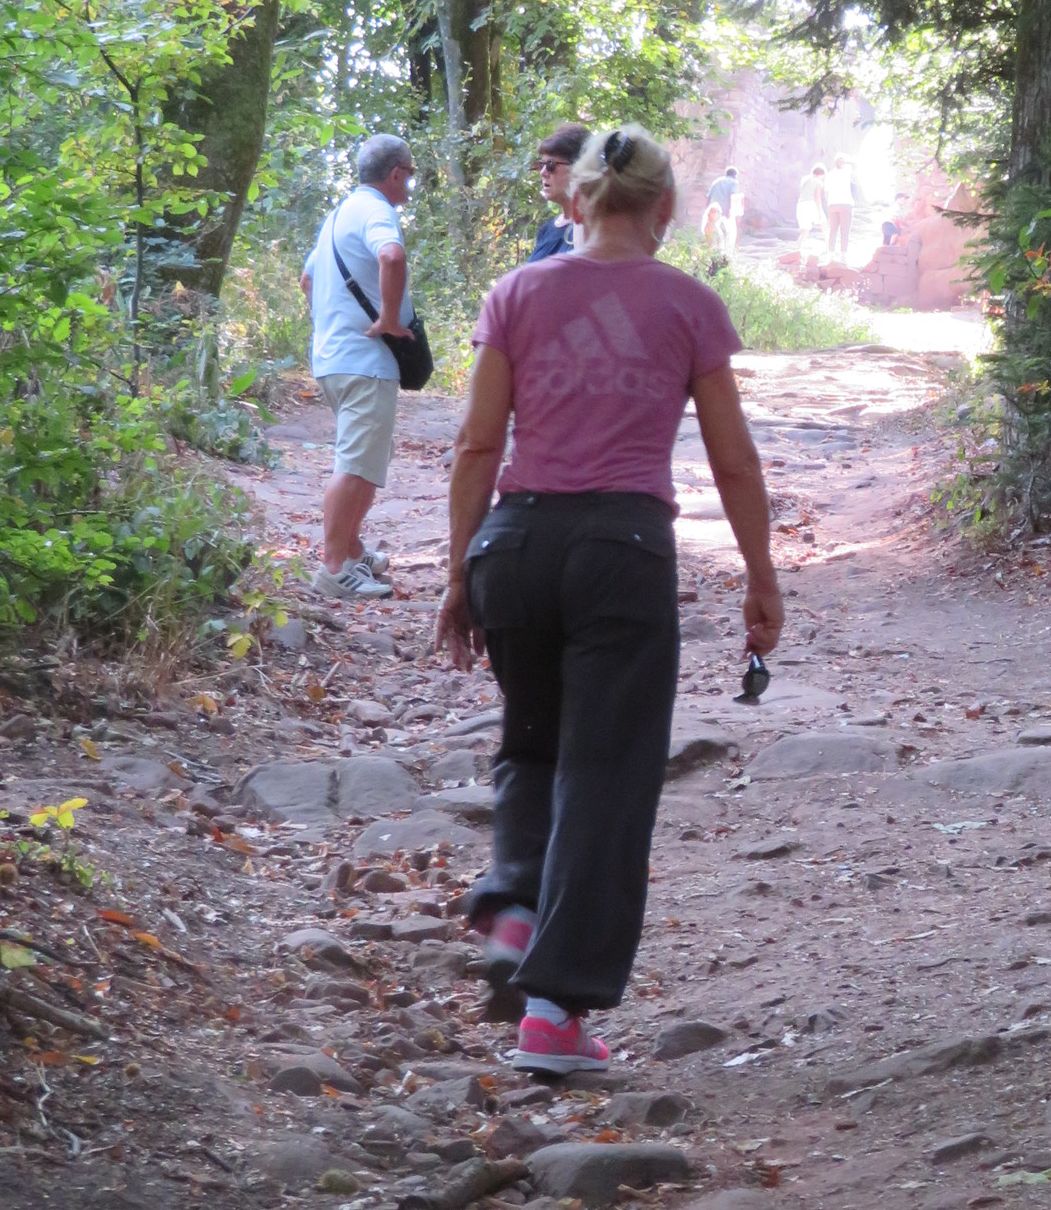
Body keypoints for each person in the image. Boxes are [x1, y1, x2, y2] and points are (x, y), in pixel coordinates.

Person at [434, 124, 785, 1077]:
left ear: (578, 198)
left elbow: (477, 444)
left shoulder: (515, 293)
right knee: (609, 776)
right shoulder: (689, 305)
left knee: (532, 744)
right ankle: (554, 1013)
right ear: (666, 205)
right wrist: (761, 575)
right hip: (622, 550)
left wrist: (459, 572)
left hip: (516, 544)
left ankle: (515, 910)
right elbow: (733, 459)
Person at [299, 133, 419, 602]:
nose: (410, 184)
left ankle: (352, 552)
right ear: (395, 174)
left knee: (366, 461)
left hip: (334, 358)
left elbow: (307, 278)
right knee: (354, 466)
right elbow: (391, 255)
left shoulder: (339, 213)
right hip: (364, 361)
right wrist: (388, 319)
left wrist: (329, 325)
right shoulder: (376, 211)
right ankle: (333, 568)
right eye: (409, 175)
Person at [529, 123, 589, 263]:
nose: (543, 173)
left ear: (577, 168)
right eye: (541, 165)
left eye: (551, 165)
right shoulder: (546, 230)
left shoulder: (596, 228)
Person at [702, 165, 744, 257]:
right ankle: (727, 254)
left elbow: (708, 196)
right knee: (730, 233)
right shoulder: (734, 182)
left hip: (713, 210)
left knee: (713, 232)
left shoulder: (716, 181)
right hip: (725, 210)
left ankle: (713, 253)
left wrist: (707, 210)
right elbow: (731, 196)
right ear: (735, 175)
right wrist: (729, 210)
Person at [823, 153, 855, 258]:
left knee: (832, 230)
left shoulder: (829, 174)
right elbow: (854, 163)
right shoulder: (847, 171)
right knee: (845, 231)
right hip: (845, 203)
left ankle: (831, 254)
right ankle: (843, 255)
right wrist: (846, 161)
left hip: (833, 205)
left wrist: (829, 203)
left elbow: (826, 192)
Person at [795, 162, 828, 250]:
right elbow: (817, 197)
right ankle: (829, 246)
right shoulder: (818, 181)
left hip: (800, 205)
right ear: (821, 174)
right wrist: (820, 210)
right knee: (824, 223)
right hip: (810, 204)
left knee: (805, 231)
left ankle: (798, 250)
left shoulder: (804, 179)